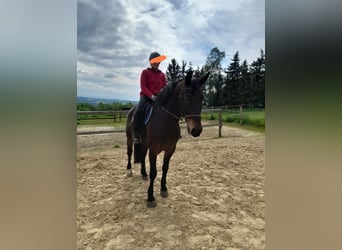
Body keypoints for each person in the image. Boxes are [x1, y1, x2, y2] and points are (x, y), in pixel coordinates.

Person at [133, 51, 167, 143]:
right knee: (138, 111)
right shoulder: (145, 72)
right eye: (154, 61)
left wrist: (162, 94)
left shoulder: (162, 75)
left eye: (158, 61)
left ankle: (171, 132)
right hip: (146, 96)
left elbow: (165, 87)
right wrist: (151, 96)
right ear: (151, 62)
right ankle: (136, 134)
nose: (156, 63)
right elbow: (143, 86)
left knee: (169, 110)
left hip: (159, 97)